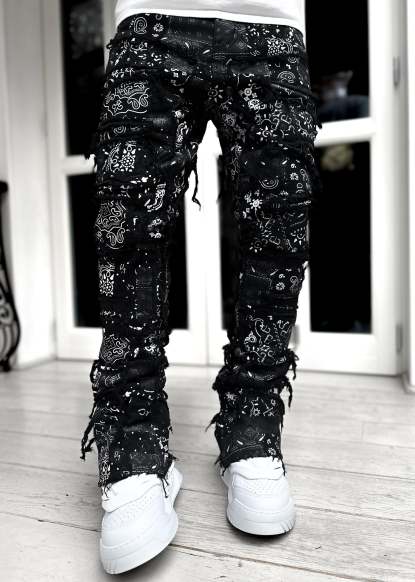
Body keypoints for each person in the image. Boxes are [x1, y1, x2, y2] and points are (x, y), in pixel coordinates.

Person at [80, 0, 322, 575]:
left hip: (272, 24)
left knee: (278, 237)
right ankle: (132, 440)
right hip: (149, 19)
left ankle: (252, 426)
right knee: (127, 234)